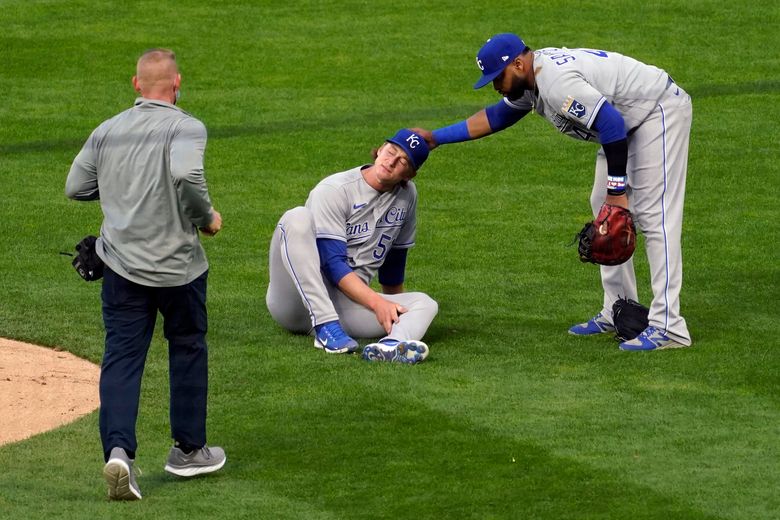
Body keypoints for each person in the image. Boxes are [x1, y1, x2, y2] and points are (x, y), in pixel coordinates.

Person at [414, 33, 692, 351]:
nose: (495, 86)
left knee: (653, 216)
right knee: (603, 209)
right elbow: (496, 116)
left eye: (497, 78)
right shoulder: (531, 79)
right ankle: (617, 308)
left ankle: (669, 326)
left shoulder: (556, 82)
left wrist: (618, 192)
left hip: (657, 113)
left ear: (518, 63)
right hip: (627, 125)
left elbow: (611, 124)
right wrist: (436, 137)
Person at [65, 48, 226, 501]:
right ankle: (188, 451)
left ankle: (119, 453)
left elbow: (75, 187)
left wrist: (119, 191)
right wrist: (205, 217)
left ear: (137, 85)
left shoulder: (108, 130)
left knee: (121, 358)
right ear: (177, 84)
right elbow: (186, 175)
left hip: (121, 267)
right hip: (180, 270)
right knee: (188, 349)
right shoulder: (186, 126)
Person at [266, 129, 438, 363]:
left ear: (410, 174)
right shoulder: (335, 190)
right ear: (379, 150)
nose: (391, 161)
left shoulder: (407, 196)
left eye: (403, 161)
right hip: (295, 302)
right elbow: (331, 263)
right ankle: (325, 326)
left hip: (346, 308)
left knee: (425, 303)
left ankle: (391, 346)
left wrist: (394, 310)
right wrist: (378, 303)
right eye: (391, 151)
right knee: (297, 218)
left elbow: (395, 259)